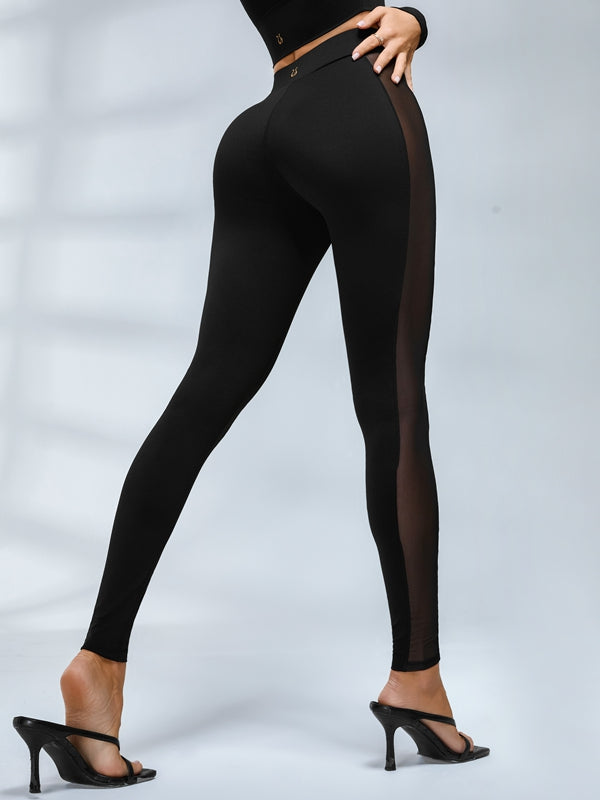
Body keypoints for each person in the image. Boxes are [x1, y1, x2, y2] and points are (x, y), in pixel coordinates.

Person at [13, 2, 490, 791]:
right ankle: (418, 678)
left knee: (206, 391)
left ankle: (98, 667)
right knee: (394, 404)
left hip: (261, 129)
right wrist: (412, 17)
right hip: (355, 97)